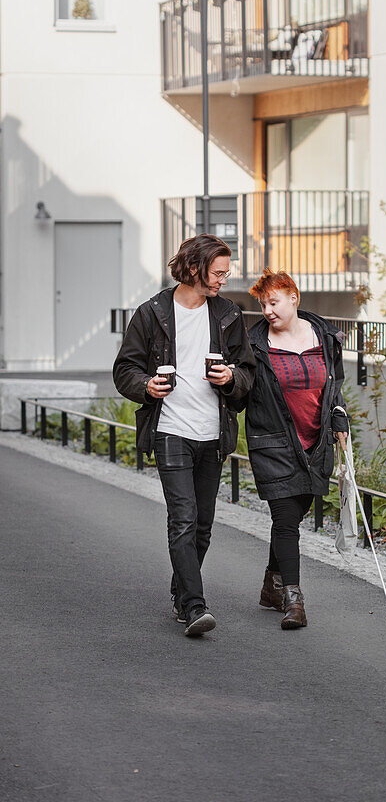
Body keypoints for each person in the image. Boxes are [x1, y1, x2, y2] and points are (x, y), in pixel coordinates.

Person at [113, 234, 255, 637]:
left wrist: (230, 378)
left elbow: (248, 373)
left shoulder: (228, 314)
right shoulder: (152, 312)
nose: (223, 281)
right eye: (217, 273)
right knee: (183, 519)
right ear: (194, 268)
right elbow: (125, 369)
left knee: (204, 526)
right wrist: (146, 387)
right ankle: (195, 606)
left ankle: (180, 594)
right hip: (171, 429)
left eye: (227, 274)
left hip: (213, 433)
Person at [246, 269, 349, 629]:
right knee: (286, 520)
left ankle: (270, 585)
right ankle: (294, 601)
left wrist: (339, 420)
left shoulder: (324, 336)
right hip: (272, 441)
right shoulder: (254, 344)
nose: (268, 310)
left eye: (273, 302)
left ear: (294, 297)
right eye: (263, 305)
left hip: (316, 441)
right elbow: (242, 388)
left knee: (296, 510)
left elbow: (334, 388)